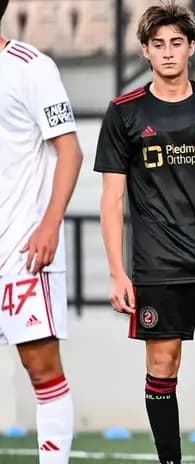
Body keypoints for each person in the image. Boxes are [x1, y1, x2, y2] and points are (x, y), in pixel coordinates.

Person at [93, 3, 195, 463]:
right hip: (159, 270)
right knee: (163, 367)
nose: (168, 53)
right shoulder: (124, 114)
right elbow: (111, 199)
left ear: (192, 47)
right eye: (158, 45)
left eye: (176, 43)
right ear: (146, 51)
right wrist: (116, 272)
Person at [0, 1, 83, 461]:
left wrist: (50, 224)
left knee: (42, 370)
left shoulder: (31, 69)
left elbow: (69, 153)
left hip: (22, 249)